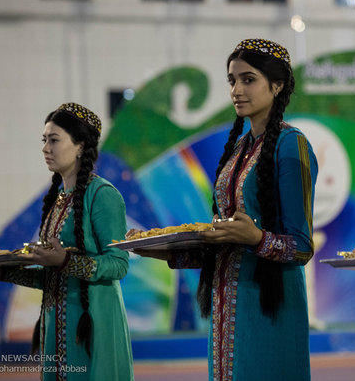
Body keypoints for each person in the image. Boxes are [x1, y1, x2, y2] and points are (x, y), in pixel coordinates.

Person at [133, 38, 318, 380]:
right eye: (232, 80)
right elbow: (225, 248)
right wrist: (156, 249)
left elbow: (302, 247)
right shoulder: (239, 150)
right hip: (226, 310)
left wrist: (257, 238)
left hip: (269, 308)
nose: (236, 89)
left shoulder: (292, 146)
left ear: (276, 86)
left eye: (248, 79)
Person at [0, 103, 135, 380]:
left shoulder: (103, 195)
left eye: (54, 140)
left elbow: (119, 265)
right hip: (57, 326)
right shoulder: (58, 201)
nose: (46, 148)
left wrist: (67, 260)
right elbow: (53, 278)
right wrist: (4, 272)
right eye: (44, 140)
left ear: (80, 145)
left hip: (94, 325)